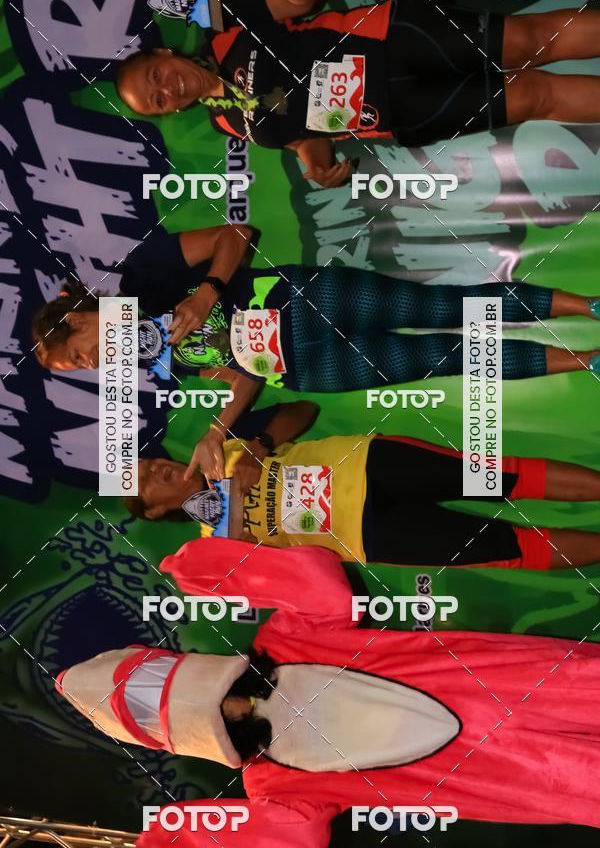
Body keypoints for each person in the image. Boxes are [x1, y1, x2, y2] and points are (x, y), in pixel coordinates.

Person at [32, 230, 600, 479]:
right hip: (311, 369)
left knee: (446, 307)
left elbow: (237, 234)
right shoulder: (146, 358)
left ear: (76, 320)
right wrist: (215, 431)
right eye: (80, 370)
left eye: (76, 357)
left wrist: (206, 294)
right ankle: (588, 359)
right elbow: (243, 377)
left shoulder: (141, 276)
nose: (90, 367)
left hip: (305, 300)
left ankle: (587, 306)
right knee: (450, 358)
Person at [56, 593, 600, 843]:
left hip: (533, 687)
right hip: (529, 772)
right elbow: (294, 836)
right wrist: (190, 836)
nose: (232, 707)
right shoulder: (273, 784)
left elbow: (318, 582)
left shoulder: (287, 639)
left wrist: (225, 572)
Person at [118, 0, 600, 187]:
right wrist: (317, 165)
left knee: (534, 38)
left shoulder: (228, 32)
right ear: (168, 112)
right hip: (401, 112)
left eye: (155, 76)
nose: (168, 89)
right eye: (158, 101)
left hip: (394, 39)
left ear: (164, 56)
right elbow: (303, 136)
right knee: (535, 96)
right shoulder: (227, 123)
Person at [126, 431, 600, 570]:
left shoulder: (217, 447)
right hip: (371, 536)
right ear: (154, 510)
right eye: (145, 481)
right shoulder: (213, 547)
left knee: (504, 476)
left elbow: (300, 410)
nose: (155, 468)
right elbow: (286, 577)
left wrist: (256, 447)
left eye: (148, 461)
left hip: (369, 464)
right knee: (510, 549)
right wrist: (248, 547)